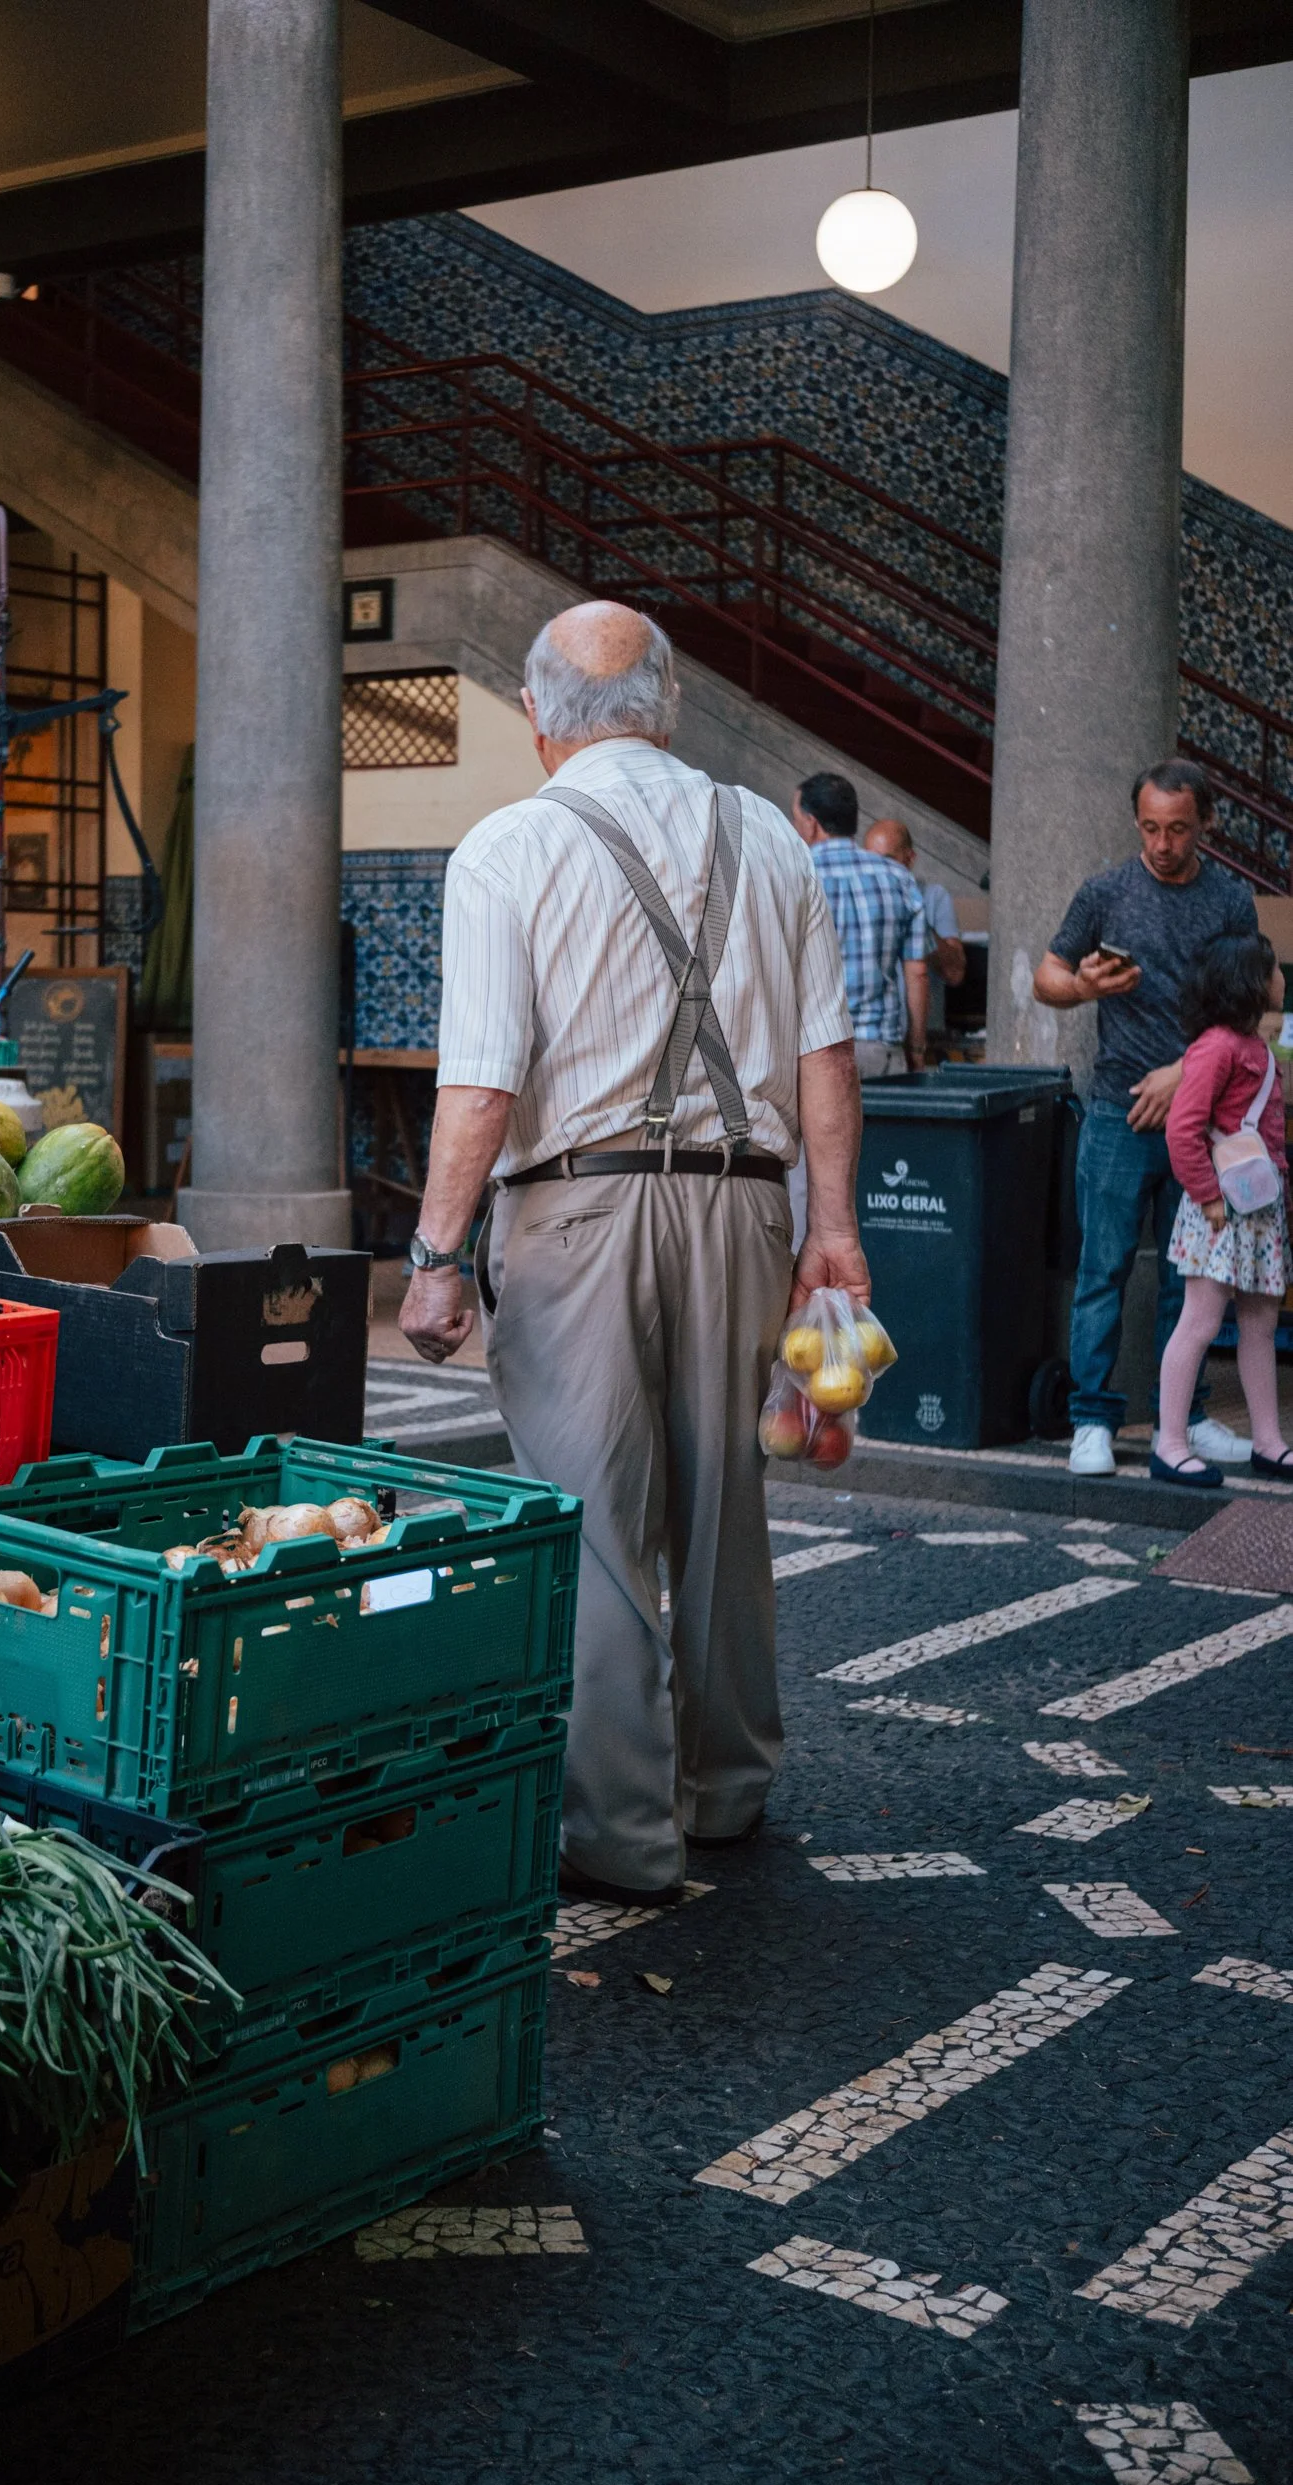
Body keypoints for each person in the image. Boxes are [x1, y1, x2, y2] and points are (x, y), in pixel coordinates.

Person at [398, 599, 865, 1907]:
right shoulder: (767, 835)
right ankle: (722, 1791)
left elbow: (479, 1083)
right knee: (723, 1501)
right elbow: (826, 1057)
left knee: (594, 1523)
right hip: (744, 1208)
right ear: (667, 706)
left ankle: (617, 1834)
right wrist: (830, 1231)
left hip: (577, 1212)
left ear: (535, 717)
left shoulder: (507, 846)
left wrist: (434, 1253)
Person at [1034, 758, 1260, 1478]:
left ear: (1206, 824)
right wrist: (1080, 987)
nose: (1163, 844)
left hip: (1205, 1117)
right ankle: (1091, 1420)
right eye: (1151, 828)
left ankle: (1183, 1418)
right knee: (1100, 1270)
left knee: (1188, 1281)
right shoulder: (1104, 891)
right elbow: (1046, 977)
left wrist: (1184, 1073)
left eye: (1179, 829)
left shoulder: (1229, 899)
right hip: (1118, 1111)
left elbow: (1250, 1003)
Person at [1154, 931, 1293, 1488]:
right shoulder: (1219, 1047)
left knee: (1259, 1324)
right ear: (1250, 982)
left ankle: (1268, 1442)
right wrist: (1208, 1195)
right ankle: (1169, 1444)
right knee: (1200, 1322)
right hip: (1220, 1210)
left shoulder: (1253, 1045)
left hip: (1256, 1212)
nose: (1281, 977)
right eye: (1273, 968)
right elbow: (1182, 1128)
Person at [790, 773, 929, 1079]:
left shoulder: (793, 875)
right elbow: (917, 971)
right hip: (881, 1049)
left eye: (796, 820)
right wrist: (917, 1049)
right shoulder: (899, 878)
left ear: (811, 824)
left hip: (813, 1049)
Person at [863, 815, 966, 1037]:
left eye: (887, 861)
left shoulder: (934, 897)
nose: (879, 871)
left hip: (927, 1033)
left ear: (910, 859)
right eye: (871, 862)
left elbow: (954, 973)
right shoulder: (858, 900)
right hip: (875, 1032)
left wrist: (914, 919)